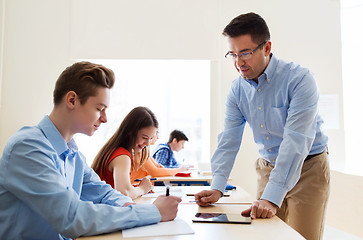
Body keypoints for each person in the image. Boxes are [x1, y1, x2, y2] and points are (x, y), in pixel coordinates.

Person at [0, 62, 181, 240]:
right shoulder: (27, 147)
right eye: (99, 109)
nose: (104, 119)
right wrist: (153, 212)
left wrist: (131, 207)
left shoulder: (73, 154)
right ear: (72, 100)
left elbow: (103, 193)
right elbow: (71, 217)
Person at [194, 13, 329, 240]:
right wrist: (218, 186)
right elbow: (228, 140)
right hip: (267, 167)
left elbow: (296, 142)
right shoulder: (237, 90)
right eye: (233, 54)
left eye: (245, 53)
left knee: (301, 237)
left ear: (266, 48)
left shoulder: (300, 80)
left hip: (308, 168)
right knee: (265, 234)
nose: (239, 62)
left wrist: (272, 197)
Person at [92, 106, 171, 199]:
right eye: (144, 138)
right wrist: (142, 189)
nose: (147, 143)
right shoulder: (122, 156)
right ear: (130, 132)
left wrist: (135, 189)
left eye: (151, 138)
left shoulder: (115, 150)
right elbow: (124, 193)